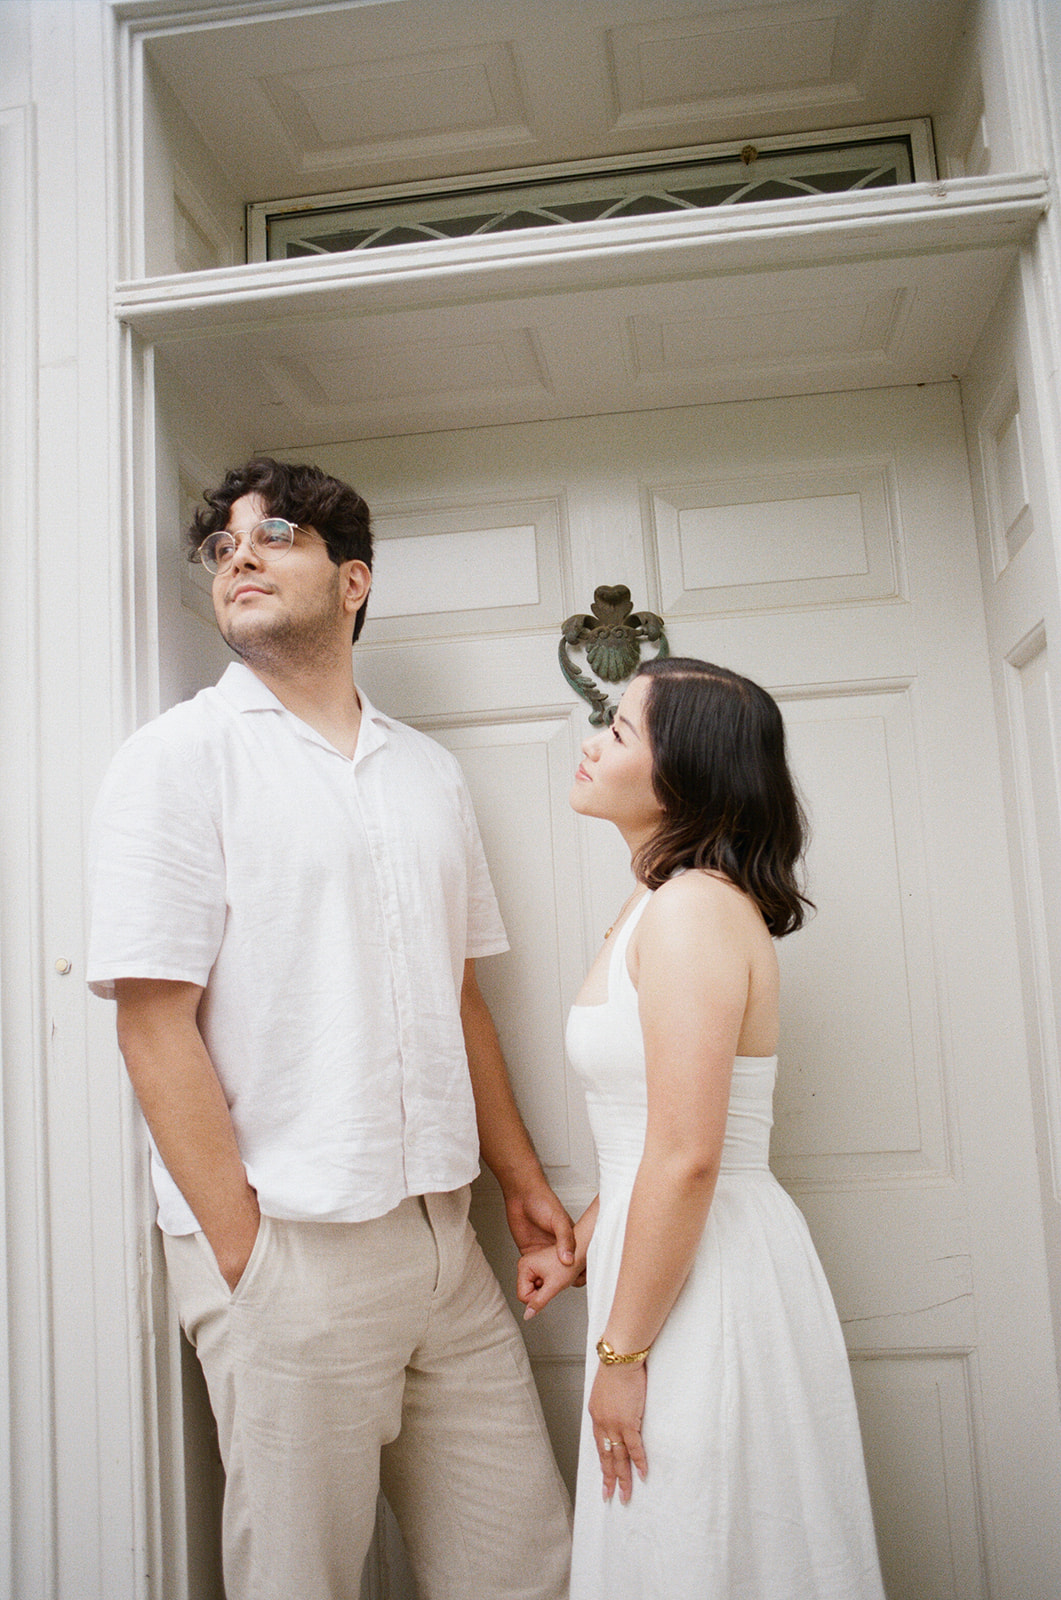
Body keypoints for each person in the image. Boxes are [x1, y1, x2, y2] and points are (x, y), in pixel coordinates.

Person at [87, 457, 573, 1600]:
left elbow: (457, 997)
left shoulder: (430, 775)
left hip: (444, 1247)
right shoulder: (175, 761)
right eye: (224, 548)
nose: (240, 557)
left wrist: (516, 1178)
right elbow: (154, 1025)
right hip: (287, 1249)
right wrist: (248, 1258)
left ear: (352, 580)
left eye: (278, 536)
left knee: (525, 1566)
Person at [517, 657, 886, 1600]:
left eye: (621, 732)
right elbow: (650, 1133)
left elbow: (687, 1157)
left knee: (698, 1545)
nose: (591, 743)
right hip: (664, 1262)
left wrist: (620, 1358)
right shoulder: (659, 900)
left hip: (703, 1284)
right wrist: (584, 1241)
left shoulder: (689, 911)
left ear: (685, 776)